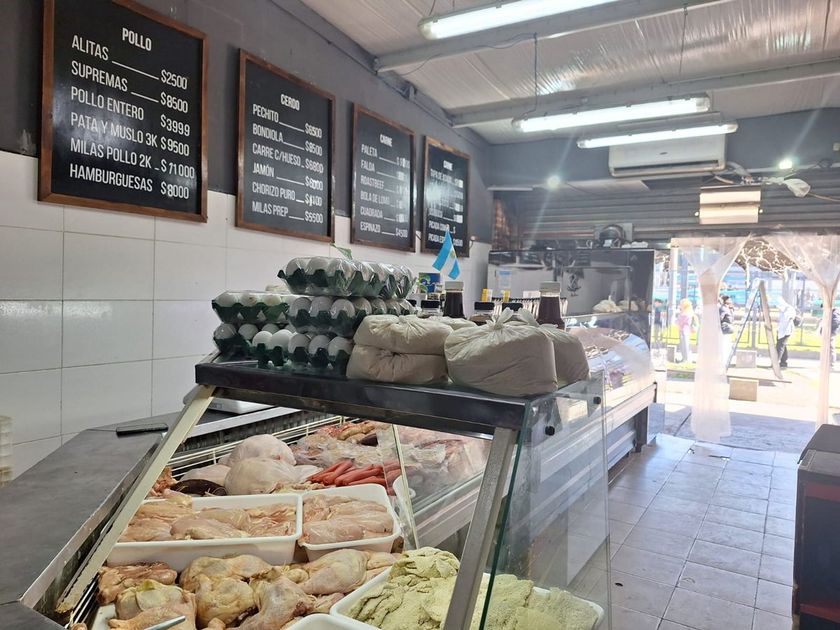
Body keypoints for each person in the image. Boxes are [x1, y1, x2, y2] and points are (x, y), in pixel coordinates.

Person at [776, 297, 797, 369]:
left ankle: (776, 363)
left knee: (780, 347)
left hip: (786, 331)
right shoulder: (783, 310)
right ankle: (783, 362)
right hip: (781, 331)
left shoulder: (789, 309)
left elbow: (788, 319)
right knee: (782, 346)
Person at [676, 298, 696, 363]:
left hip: (685, 330)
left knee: (685, 344)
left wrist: (678, 322)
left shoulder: (687, 312)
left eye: (681, 303)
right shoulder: (683, 311)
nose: (680, 305)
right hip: (682, 329)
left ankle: (686, 359)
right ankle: (684, 358)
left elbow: (684, 321)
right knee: (682, 344)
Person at [719, 295, 734, 366]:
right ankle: (723, 362)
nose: (731, 301)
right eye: (729, 300)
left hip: (728, 329)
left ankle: (725, 361)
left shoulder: (728, 308)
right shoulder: (723, 308)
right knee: (724, 346)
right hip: (725, 329)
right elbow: (720, 318)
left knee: (727, 346)